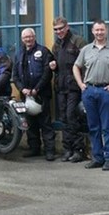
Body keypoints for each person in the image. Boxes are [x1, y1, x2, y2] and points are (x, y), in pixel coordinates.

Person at [73, 19, 109, 171]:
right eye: (96, 30)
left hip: (106, 92)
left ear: (106, 31)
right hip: (89, 91)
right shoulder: (86, 50)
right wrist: (81, 84)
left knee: (107, 127)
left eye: (102, 30)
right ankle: (97, 157)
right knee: (93, 127)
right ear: (92, 31)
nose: (99, 32)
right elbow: (76, 67)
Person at [12, 28, 56, 161]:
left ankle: (49, 151)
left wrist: (37, 89)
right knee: (30, 124)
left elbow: (47, 72)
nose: (28, 40)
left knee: (46, 123)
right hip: (25, 95)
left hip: (41, 94)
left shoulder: (43, 51)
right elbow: (15, 75)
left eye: (30, 37)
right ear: (22, 39)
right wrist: (22, 88)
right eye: (25, 37)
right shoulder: (19, 53)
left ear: (34, 37)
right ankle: (34, 148)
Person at [49, 17, 88, 163]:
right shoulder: (56, 45)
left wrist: (83, 83)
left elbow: (86, 63)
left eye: (61, 28)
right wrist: (54, 66)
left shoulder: (78, 41)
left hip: (74, 86)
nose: (58, 32)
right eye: (56, 29)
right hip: (61, 86)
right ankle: (67, 149)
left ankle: (78, 149)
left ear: (67, 27)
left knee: (72, 117)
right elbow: (58, 65)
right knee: (64, 118)